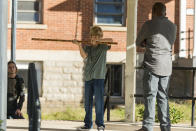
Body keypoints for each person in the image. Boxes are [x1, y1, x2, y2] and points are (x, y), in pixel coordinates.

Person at [135, 2, 177, 131]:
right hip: (166, 66)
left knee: (150, 97)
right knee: (163, 97)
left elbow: (138, 42)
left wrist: (146, 43)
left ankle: (148, 126)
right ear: (165, 12)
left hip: (152, 65)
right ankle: (165, 127)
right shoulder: (173, 26)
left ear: (153, 12)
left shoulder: (149, 24)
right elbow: (169, 43)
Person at [74, 26, 112, 131]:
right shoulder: (88, 48)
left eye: (96, 36)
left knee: (99, 103)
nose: (93, 38)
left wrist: (99, 40)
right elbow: (84, 56)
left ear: (100, 37)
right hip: (88, 78)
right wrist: (79, 45)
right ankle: (87, 125)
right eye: (92, 36)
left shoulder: (103, 47)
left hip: (99, 78)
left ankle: (100, 125)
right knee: (87, 103)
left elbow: (111, 40)